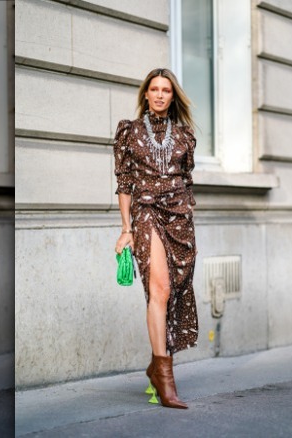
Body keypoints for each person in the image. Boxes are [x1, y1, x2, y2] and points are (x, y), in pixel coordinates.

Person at [113, 68, 198, 409]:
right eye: (154, 89)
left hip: (179, 216)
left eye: (166, 90)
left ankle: (155, 365)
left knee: (174, 290)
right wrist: (125, 229)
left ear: (172, 96)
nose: (160, 94)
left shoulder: (184, 135)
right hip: (145, 211)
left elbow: (188, 180)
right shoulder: (129, 132)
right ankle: (166, 379)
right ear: (145, 95)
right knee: (159, 288)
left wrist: (186, 212)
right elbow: (124, 183)